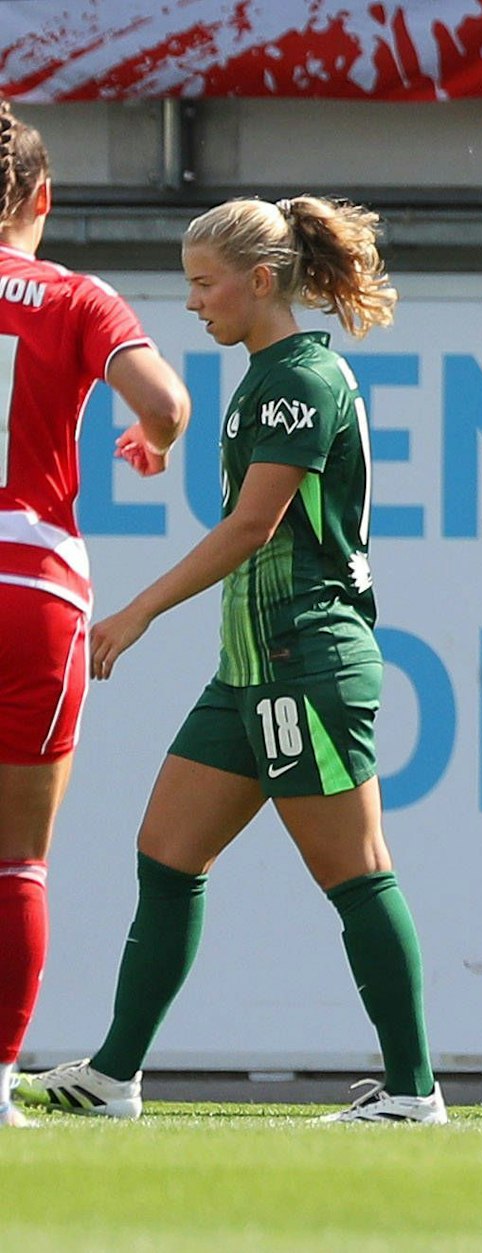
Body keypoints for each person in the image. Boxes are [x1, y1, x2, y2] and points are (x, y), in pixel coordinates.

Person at [15, 195, 443, 1124]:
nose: (193, 303)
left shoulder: (298, 377)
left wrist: (136, 610)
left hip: (304, 658)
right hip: (250, 667)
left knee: (357, 870)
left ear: (259, 281)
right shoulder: (266, 375)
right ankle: (115, 1075)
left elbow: (254, 527)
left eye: (205, 284)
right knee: (166, 855)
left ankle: (415, 1092)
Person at [0, 100, 189, 1129]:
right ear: (43, 199)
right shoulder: (74, 297)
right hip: (29, 586)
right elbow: (161, 403)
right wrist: (156, 441)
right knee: (16, 857)